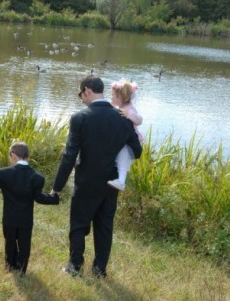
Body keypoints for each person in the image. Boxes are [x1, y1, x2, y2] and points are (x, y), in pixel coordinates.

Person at [51, 75, 142, 278]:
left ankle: (75, 267)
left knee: (79, 224)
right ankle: (100, 270)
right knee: (104, 227)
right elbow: (137, 150)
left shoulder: (80, 118)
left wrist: (57, 187)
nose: (81, 99)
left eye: (80, 94)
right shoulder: (123, 118)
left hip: (86, 182)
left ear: (88, 91)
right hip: (111, 183)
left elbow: (69, 156)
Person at [0, 141, 59, 275]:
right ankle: (22, 268)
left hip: (9, 218)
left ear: (13, 155)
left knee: (10, 242)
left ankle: (10, 265)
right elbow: (39, 198)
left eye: (10, 157)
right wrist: (54, 198)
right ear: (27, 156)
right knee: (24, 244)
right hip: (26, 220)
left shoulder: (4, 174)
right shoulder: (37, 178)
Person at [107, 79, 144, 191]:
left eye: (113, 95)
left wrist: (129, 115)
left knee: (123, 157)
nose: (111, 97)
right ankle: (119, 179)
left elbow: (139, 120)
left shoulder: (129, 109)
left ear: (121, 98)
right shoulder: (119, 108)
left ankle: (121, 181)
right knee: (120, 157)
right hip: (124, 139)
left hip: (130, 141)